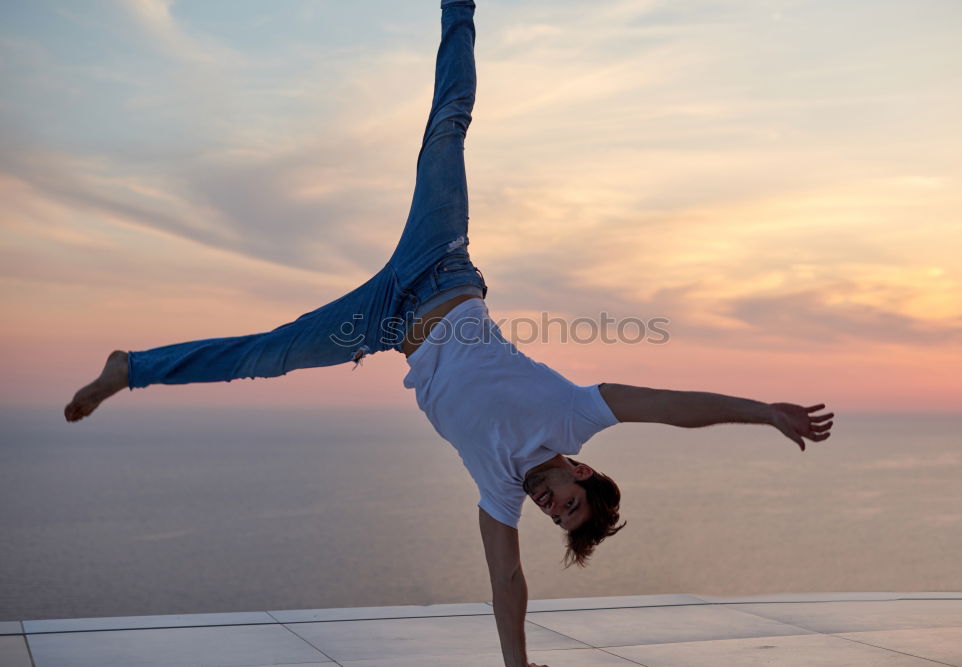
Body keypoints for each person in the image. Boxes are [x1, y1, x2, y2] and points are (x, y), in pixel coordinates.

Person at [64, 2, 834, 665]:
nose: (549, 506)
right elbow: (670, 404)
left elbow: (507, 583)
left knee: (266, 353)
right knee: (448, 128)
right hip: (440, 268)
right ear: (581, 474)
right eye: (567, 502)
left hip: (385, 323)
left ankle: (129, 368)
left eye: (554, 517)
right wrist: (764, 411)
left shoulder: (499, 488)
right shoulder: (572, 415)